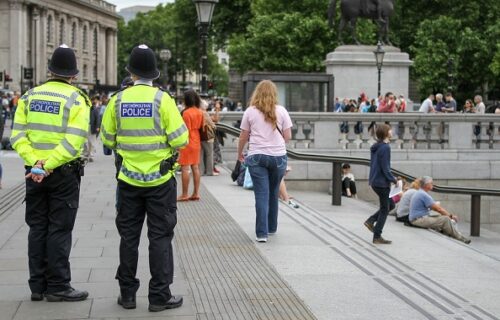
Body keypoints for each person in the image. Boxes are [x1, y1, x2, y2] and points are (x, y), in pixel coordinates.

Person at [101, 44, 188, 312]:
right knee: (160, 238)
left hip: (128, 180)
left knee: (129, 238)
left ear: (130, 71)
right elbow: (180, 139)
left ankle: (127, 294)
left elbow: (107, 138)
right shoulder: (163, 100)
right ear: (155, 73)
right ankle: (159, 296)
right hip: (160, 181)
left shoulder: (117, 100)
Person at [10, 44, 90, 302]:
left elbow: (17, 136)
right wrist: (50, 164)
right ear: (73, 74)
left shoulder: (29, 96)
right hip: (63, 174)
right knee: (59, 228)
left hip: (33, 173)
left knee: (37, 227)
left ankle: (37, 286)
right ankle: (58, 285)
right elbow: (74, 141)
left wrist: (36, 164)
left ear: (49, 70)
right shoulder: (77, 99)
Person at [237, 80, 293, 243]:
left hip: (256, 156)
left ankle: (261, 233)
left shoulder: (250, 111)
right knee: (274, 192)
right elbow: (288, 137)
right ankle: (272, 227)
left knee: (261, 194)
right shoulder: (281, 111)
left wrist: (240, 154)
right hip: (278, 157)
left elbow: (243, 136)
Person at [409, 176, 471, 244]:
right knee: (445, 219)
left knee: (440, 217)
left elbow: (433, 208)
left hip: (417, 218)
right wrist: (451, 216)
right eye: (431, 183)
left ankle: (450, 234)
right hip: (418, 220)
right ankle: (460, 238)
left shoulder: (420, 192)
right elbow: (438, 209)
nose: (433, 185)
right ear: (426, 185)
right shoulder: (423, 194)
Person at [364, 123, 397, 244]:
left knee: (391, 205)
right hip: (381, 182)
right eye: (390, 130)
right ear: (386, 133)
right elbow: (385, 167)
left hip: (375, 181)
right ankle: (377, 235)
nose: (392, 132)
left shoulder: (377, 146)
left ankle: (371, 221)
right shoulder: (385, 147)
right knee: (385, 209)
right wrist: (393, 180)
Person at [177, 90, 204, 201]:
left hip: (187, 141)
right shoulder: (200, 112)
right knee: (195, 167)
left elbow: (184, 129)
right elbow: (202, 127)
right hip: (196, 139)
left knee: (185, 168)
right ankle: (196, 193)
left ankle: (184, 194)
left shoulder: (186, 113)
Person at [199, 99, 216, 176]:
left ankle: (201, 171)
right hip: (207, 137)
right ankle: (209, 171)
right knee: (209, 154)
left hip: (199, 136)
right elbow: (212, 124)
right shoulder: (204, 113)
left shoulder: (197, 112)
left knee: (200, 154)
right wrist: (214, 126)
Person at [83, 95, 100, 162]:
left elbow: (98, 118)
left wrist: (98, 127)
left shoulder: (95, 109)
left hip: (92, 126)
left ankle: (91, 155)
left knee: (92, 142)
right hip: (85, 126)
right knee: (85, 141)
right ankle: (86, 154)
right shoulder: (85, 108)